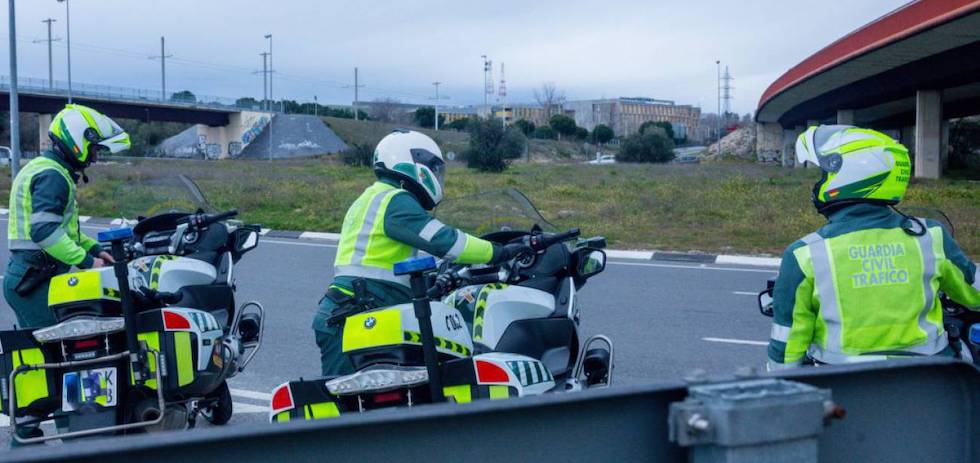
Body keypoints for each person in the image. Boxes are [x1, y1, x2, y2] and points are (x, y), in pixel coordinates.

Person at [313, 129, 529, 376]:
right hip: (357, 313)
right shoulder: (395, 200)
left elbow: (401, 255)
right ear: (412, 163)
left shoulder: (373, 197)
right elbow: (445, 242)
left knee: (380, 394)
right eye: (434, 168)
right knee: (350, 404)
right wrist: (499, 252)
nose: (437, 176)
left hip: (356, 308)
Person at [767, 125, 980, 369]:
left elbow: (786, 346)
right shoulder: (930, 237)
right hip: (926, 384)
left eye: (824, 174)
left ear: (848, 174)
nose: (819, 183)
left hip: (844, 387)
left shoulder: (805, 254)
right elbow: (974, 292)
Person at [4, 104, 130, 444]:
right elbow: (45, 232)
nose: (95, 158)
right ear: (77, 140)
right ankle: (53, 437)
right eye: (94, 148)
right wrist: (86, 262)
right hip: (34, 281)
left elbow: (66, 232)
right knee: (62, 356)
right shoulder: (52, 176)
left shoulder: (52, 170)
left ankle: (57, 434)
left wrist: (92, 250)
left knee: (60, 354)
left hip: (38, 277)